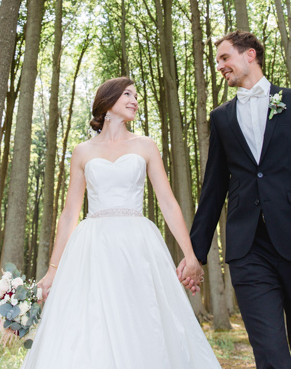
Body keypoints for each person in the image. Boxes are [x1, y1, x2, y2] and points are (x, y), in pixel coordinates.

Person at [178, 29, 291, 369]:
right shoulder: (221, 118)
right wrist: (194, 254)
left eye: (224, 57)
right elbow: (213, 190)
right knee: (270, 354)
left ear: (250, 55)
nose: (220, 66)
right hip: (248, 249)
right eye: (217, 61)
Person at [23, 76, 221, 369]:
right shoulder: (82, 151)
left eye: (137, 96)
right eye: (128, 94)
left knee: (143, 317)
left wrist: (190, 255)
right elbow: (69, 214)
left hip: (137, 243)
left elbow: (167, 202)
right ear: (107, 102)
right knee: (92, 323)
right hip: (93, 247)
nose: (135, 100)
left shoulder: (146, 146)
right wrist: (53, 271)